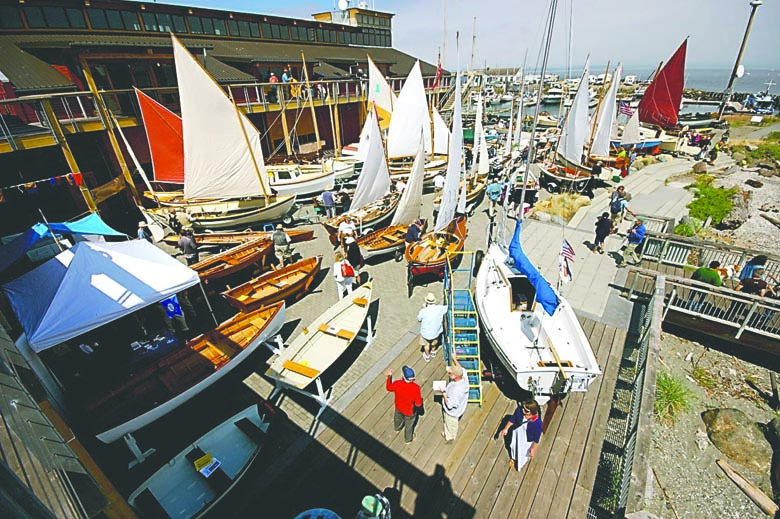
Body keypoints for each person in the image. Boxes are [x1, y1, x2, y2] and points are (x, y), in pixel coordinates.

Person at [500, 400, 542, 471]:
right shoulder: (519, 410)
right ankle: (514, 458)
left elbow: (536, 438)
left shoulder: (537, 423)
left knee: (523, 452)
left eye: (526, 410)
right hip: (517, 433)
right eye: (523, 407)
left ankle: (520, 464)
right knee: (513, 446)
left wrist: (533, 448)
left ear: (532, 412)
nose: (523, 410)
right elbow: (513, 419)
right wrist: (506, 428)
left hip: (527, 439)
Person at [386, 365, 423, 444]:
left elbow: (389, 387)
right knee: (409, 425)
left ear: (403, 377)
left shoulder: (397, 383)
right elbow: (418, 404)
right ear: (413, 378)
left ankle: (397, 428)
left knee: (397, 418)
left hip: (399, 407)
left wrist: (389, 376)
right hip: (409, 411)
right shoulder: (416, 388)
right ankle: (408, 439)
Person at [438, 361, 470, 442]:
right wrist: (455, 359)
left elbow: (449, 405)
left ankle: (449, 437)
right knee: (448, 423)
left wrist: (444, 393)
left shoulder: (457, 391)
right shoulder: (464, 378)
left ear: (455, 376)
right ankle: (447, 432)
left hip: (452, 413)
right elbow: (463, 370)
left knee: (451, 425)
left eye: (449, 373)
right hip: (459, 409)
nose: (448, 374)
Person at [417, 292, 448, 362]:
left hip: (426, 333)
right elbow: (447, 308)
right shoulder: (439, 309)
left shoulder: (423, 311)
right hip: (436, 332)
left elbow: (419, 319)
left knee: (426, 345)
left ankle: (427, 356)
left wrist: (424, 308)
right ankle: (433, 352)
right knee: (434, 343)